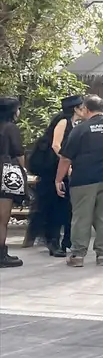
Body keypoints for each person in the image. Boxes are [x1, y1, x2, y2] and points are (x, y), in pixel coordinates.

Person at [56, 94, 103, 267]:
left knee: (81, 217)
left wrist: (58, 179)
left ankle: (78, 255)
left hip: (84, 179)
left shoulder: (80, 129)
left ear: (86, 109)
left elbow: (66, 158)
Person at [26, 95, 85, 257]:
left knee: (63, 206)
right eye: (81, 107)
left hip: (60, 168)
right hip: (53, 169)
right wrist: (67, 161)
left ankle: (62, 241)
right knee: (56, 205)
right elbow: (55, 145)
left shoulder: (72, 123)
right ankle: (53, 241)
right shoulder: (64, 121)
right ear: (75, 108)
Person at [0, 96, 26, 268]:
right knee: (2, 218)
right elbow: (18, 153)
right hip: (4, 171)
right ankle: (1, 254)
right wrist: (23, 171)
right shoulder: (10, 128)